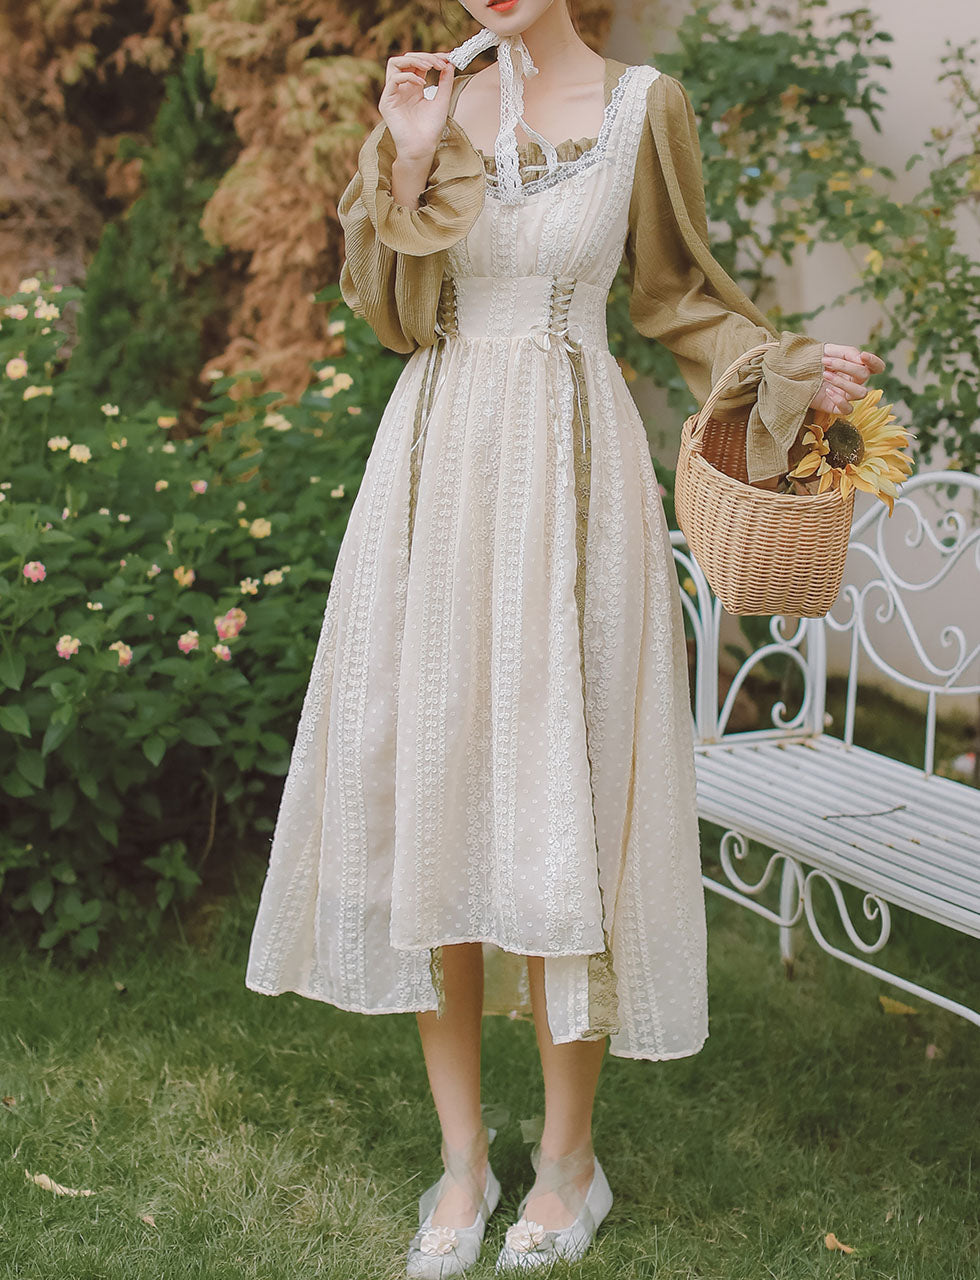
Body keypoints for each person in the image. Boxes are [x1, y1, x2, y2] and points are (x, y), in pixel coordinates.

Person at [245, 0, 886, 1273]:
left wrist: (778, 370)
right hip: (434, 475)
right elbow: (391, 315)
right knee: (436, 801)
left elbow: (674, 295)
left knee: (562, 809)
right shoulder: (425, 102)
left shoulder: (644, 107)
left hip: (574, 487)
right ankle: (460, 1163)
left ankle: (566, 1164)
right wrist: (408, 156)